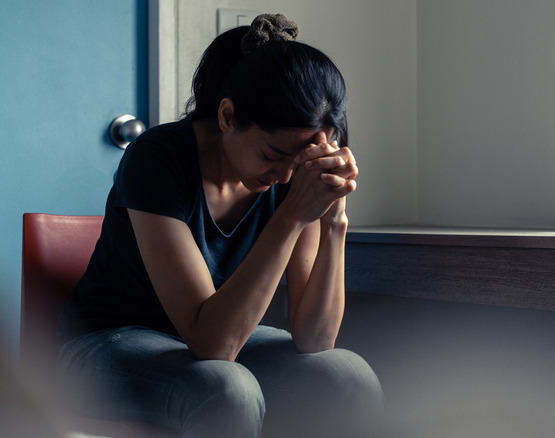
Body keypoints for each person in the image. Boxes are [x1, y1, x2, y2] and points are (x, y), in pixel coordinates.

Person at [57, 13, 384, 438]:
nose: (284, 177)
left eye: (298, 161)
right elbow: (213, 345)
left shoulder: (292, 175)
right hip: (109, 343)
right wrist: (290, 217)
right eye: (271, 154)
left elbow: (315, 339)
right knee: (227, 389)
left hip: (216, 338)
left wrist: (333, 216)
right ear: (227, 116)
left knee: (348, 375)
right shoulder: (156, 159)